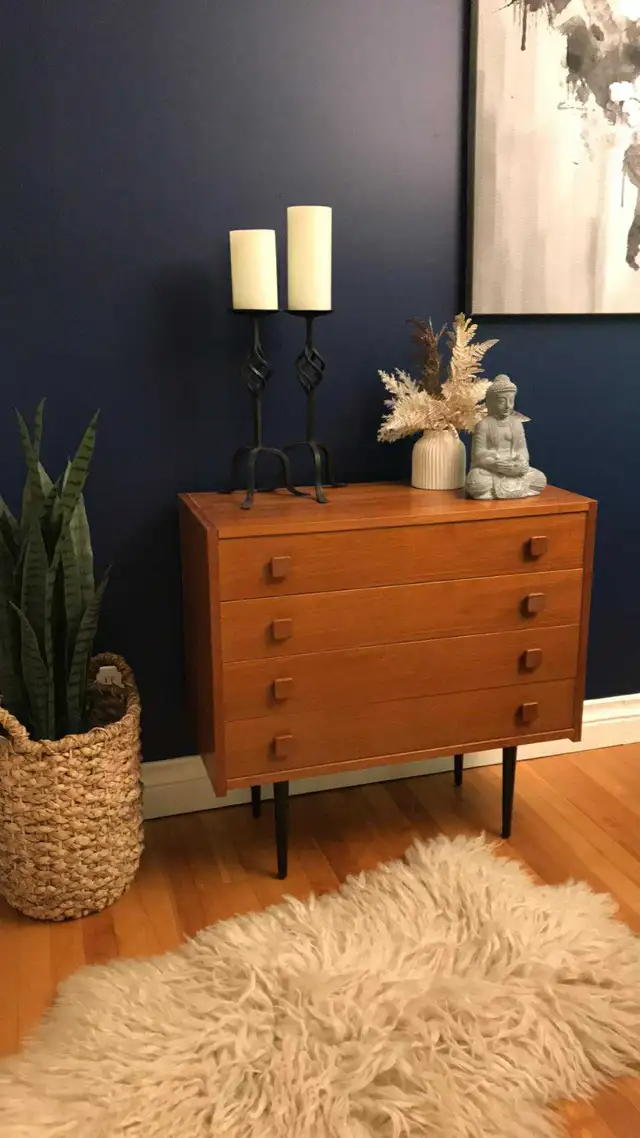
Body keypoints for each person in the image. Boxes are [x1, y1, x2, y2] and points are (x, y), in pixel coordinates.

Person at [466, 375, 546, 500]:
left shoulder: (516, 423)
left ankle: (500, 491)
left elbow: (522, 450)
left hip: (514, 469)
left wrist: (521, 462)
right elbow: (478, 454)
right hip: (492, 469)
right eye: (502, 401)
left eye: (511, 401)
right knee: (476, 483)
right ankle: (515, 490)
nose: (508, 405)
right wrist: (494, 464)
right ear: (491, 402)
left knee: (540, 479)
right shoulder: (483, 425)